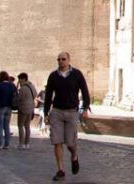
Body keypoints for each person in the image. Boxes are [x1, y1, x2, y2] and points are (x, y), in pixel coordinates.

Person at [44, 51, 91, 182]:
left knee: (70, 142)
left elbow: (85, 91)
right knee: (57, 141)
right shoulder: (53, 76)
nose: (60, 61)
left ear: (69, 60)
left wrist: (85, 108)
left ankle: (74, 156)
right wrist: (46, 112)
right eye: (58, 59)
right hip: (57, 111)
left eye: (63, 59)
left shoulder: (77, 74)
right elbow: (48, 95)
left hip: (71, 112)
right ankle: (61, 170)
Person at [0, 71, 17, 150]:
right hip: (9, 107)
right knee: (6, 126)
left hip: (0, 107)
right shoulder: (12, 85)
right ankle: (7, 144)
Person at [17, 73, 37, 149]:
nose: (19, 81)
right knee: (27, 126)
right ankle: (27, 143)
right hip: (30, 108)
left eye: (20, 79)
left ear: (23, 79)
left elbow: (19, 98)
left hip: (23, 108)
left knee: (20, 125)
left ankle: (21, 144)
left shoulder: (23, 88)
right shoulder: (32, 86)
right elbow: (35, 94)